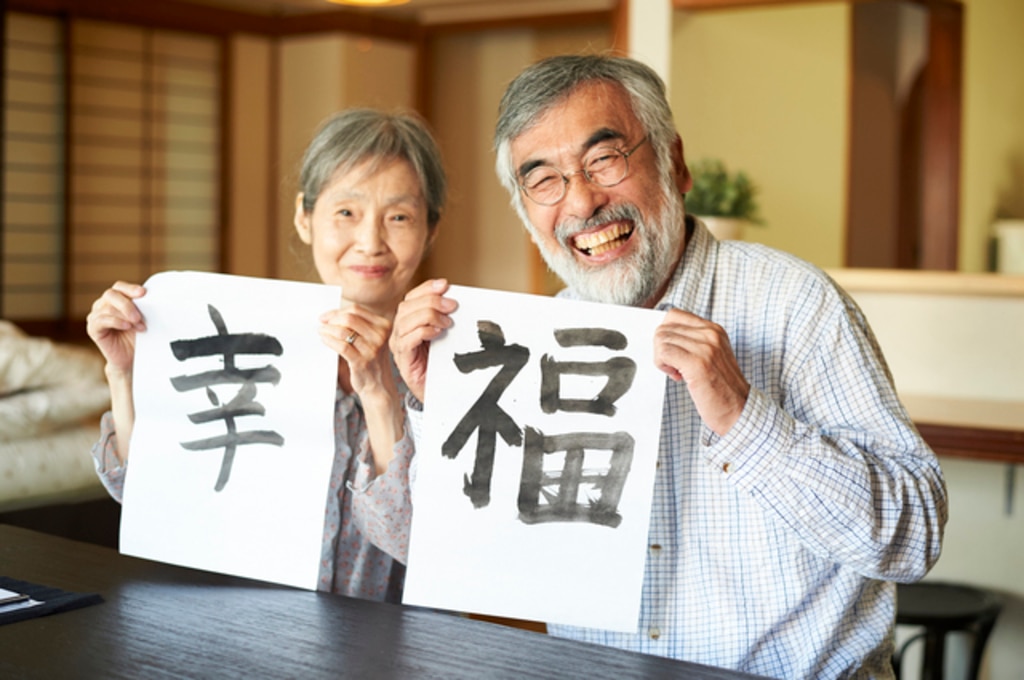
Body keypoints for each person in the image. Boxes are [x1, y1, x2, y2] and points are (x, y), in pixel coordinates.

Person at [390, 54, 947, 678]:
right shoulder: (535, 340)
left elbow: (914, 538)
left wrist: (742, 417)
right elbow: (466, 557)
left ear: (674, 162)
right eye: (543, 179)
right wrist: (435, 407)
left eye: (604, 159)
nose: (581, 202)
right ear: (526, 210)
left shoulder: (796, 302)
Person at [86, 108, 446, 602]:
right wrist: (125, 375)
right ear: (305, 217)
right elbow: (151, 494)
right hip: (249, 630)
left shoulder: (449, 368)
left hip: (394, 653)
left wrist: (380, 394)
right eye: (346, 212)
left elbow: (422, 543)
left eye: (399, 217)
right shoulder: (252, 344)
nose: (370, 241)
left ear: (430, 229)